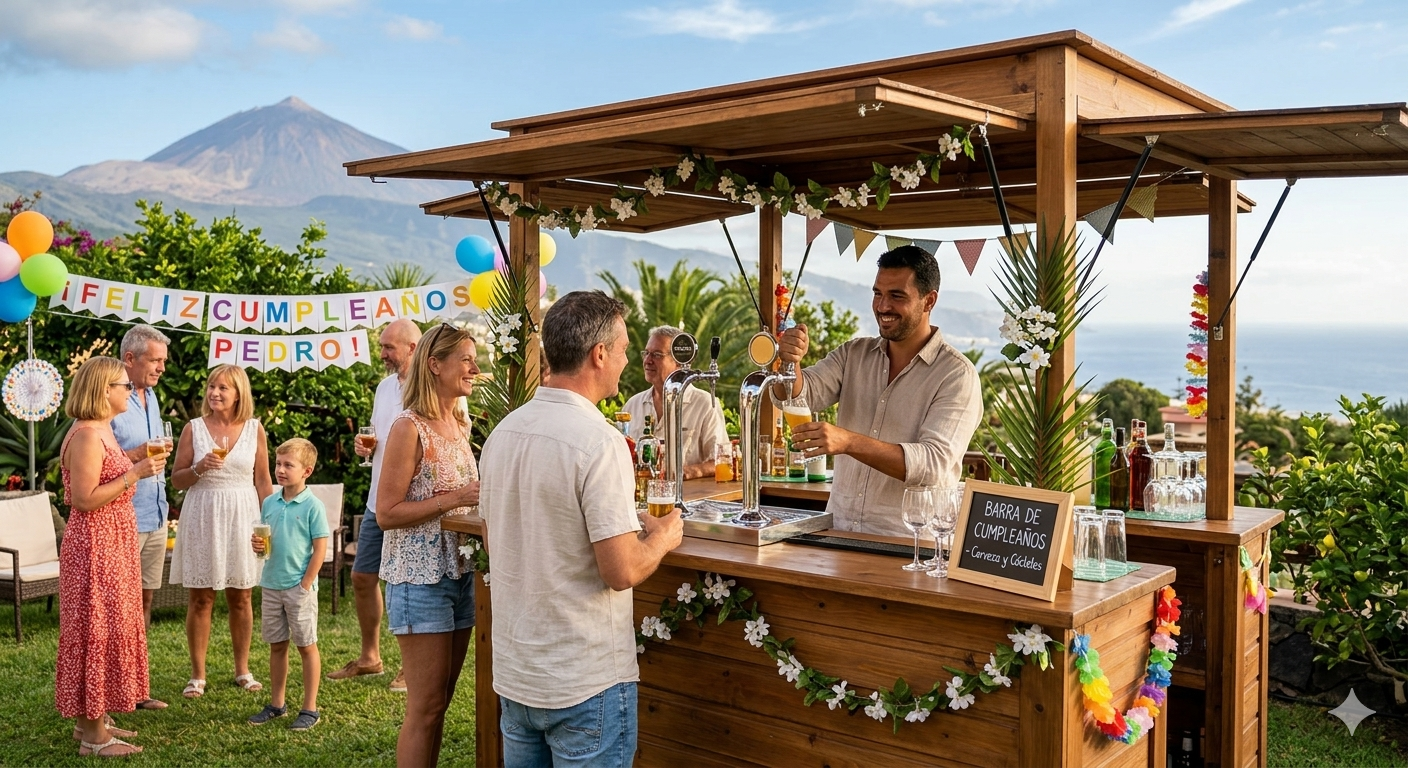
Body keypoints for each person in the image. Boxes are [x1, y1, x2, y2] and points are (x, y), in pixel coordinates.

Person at [480, 291, 684, 767]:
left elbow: (497, 541)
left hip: (517, 676)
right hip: (583, 679)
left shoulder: (502, 433)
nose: (628, 358)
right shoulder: (600, 441)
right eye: (624, 347)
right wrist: (665, 537)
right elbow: (622, 570)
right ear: (598, 354)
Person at [774, 245, 982, 536]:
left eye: (897, 296)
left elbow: (933, 466)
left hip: (910, 547)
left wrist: (848, 442)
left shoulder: (957, 375)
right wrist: (790, 362)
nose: (883, 306)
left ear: (929, 300)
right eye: (877, 294)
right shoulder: (853, 354)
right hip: (840, 533)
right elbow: (798, 396)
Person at [376, 323, 481, 767]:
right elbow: (386, 513)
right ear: (435, 365)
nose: (475, 368)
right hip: (419, 580)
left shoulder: (459, 422)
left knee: (442, 702)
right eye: (466, 360)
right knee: (425, 708)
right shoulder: (408, 427)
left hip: (460, 575)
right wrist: (454, 499)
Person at [57, 356, 167, 758]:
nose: (129, 391)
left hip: (111, 543)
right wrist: (134, 474)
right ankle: (94, 737)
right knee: (96, 630)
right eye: (122, 385)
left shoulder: (99, 430)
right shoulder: (87, 434)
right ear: (104, 390)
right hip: (95, 546)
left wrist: (134, 457)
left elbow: (107, 468)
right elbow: (85, 499)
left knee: (104, 628)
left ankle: (93, 719)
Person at [169, 364, 274, 698]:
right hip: (204, 513)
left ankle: (243, 670)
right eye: (211, 386)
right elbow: (177, 478)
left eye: (223, 388)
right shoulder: (193, 429)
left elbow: (262, 479)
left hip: (244, 515)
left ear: (238, 393)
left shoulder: (255, 429)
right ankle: (197, 675)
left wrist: (270, 523)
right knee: (201, 597)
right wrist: (199, 468)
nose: (214, 393)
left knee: (241, 595)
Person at [329, 318, 421, 692]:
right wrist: (367, 446)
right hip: (376, 500)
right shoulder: (384, 388)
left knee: (405, 584)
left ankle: (409, 667)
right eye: (382, 346)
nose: (382, 354)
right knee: (362, 577)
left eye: (388, 347)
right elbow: (381, 437)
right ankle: (371, 658)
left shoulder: (431, 389)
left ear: (413, 348)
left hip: (411, 503)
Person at [108, 324, 172, 712]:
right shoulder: (108, 399)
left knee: (145, 601)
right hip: (122, 516)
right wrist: (138, 456)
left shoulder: (151, 397)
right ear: (129, 359)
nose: (161, 368)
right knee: (120, 604)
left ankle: (137, 685)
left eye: (163, 361)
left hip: (155, 511)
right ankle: (113, 687)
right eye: (155, 360)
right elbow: (99, 459)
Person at [247, 438, 328, 732]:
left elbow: (320, 548)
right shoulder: (269, 502)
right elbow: (264, 545)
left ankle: (310, 708)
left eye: (288, 465)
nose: (280, 470)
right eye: (278, 464)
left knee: (306, 645)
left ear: (306, 471)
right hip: (271, 584)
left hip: (298, 588)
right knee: (277, 645)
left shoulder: (312, 506)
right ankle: (277, 704)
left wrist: (306, 583)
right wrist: (257, 546)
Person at [619, 325, 729, 480]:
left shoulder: (705, 404)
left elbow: (722, 460)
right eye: (646, 353)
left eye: (657, 355)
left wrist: (689, 471)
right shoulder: (633, 405)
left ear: (680, 361)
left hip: (689, 499)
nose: (647, 361)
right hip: (641, 497)